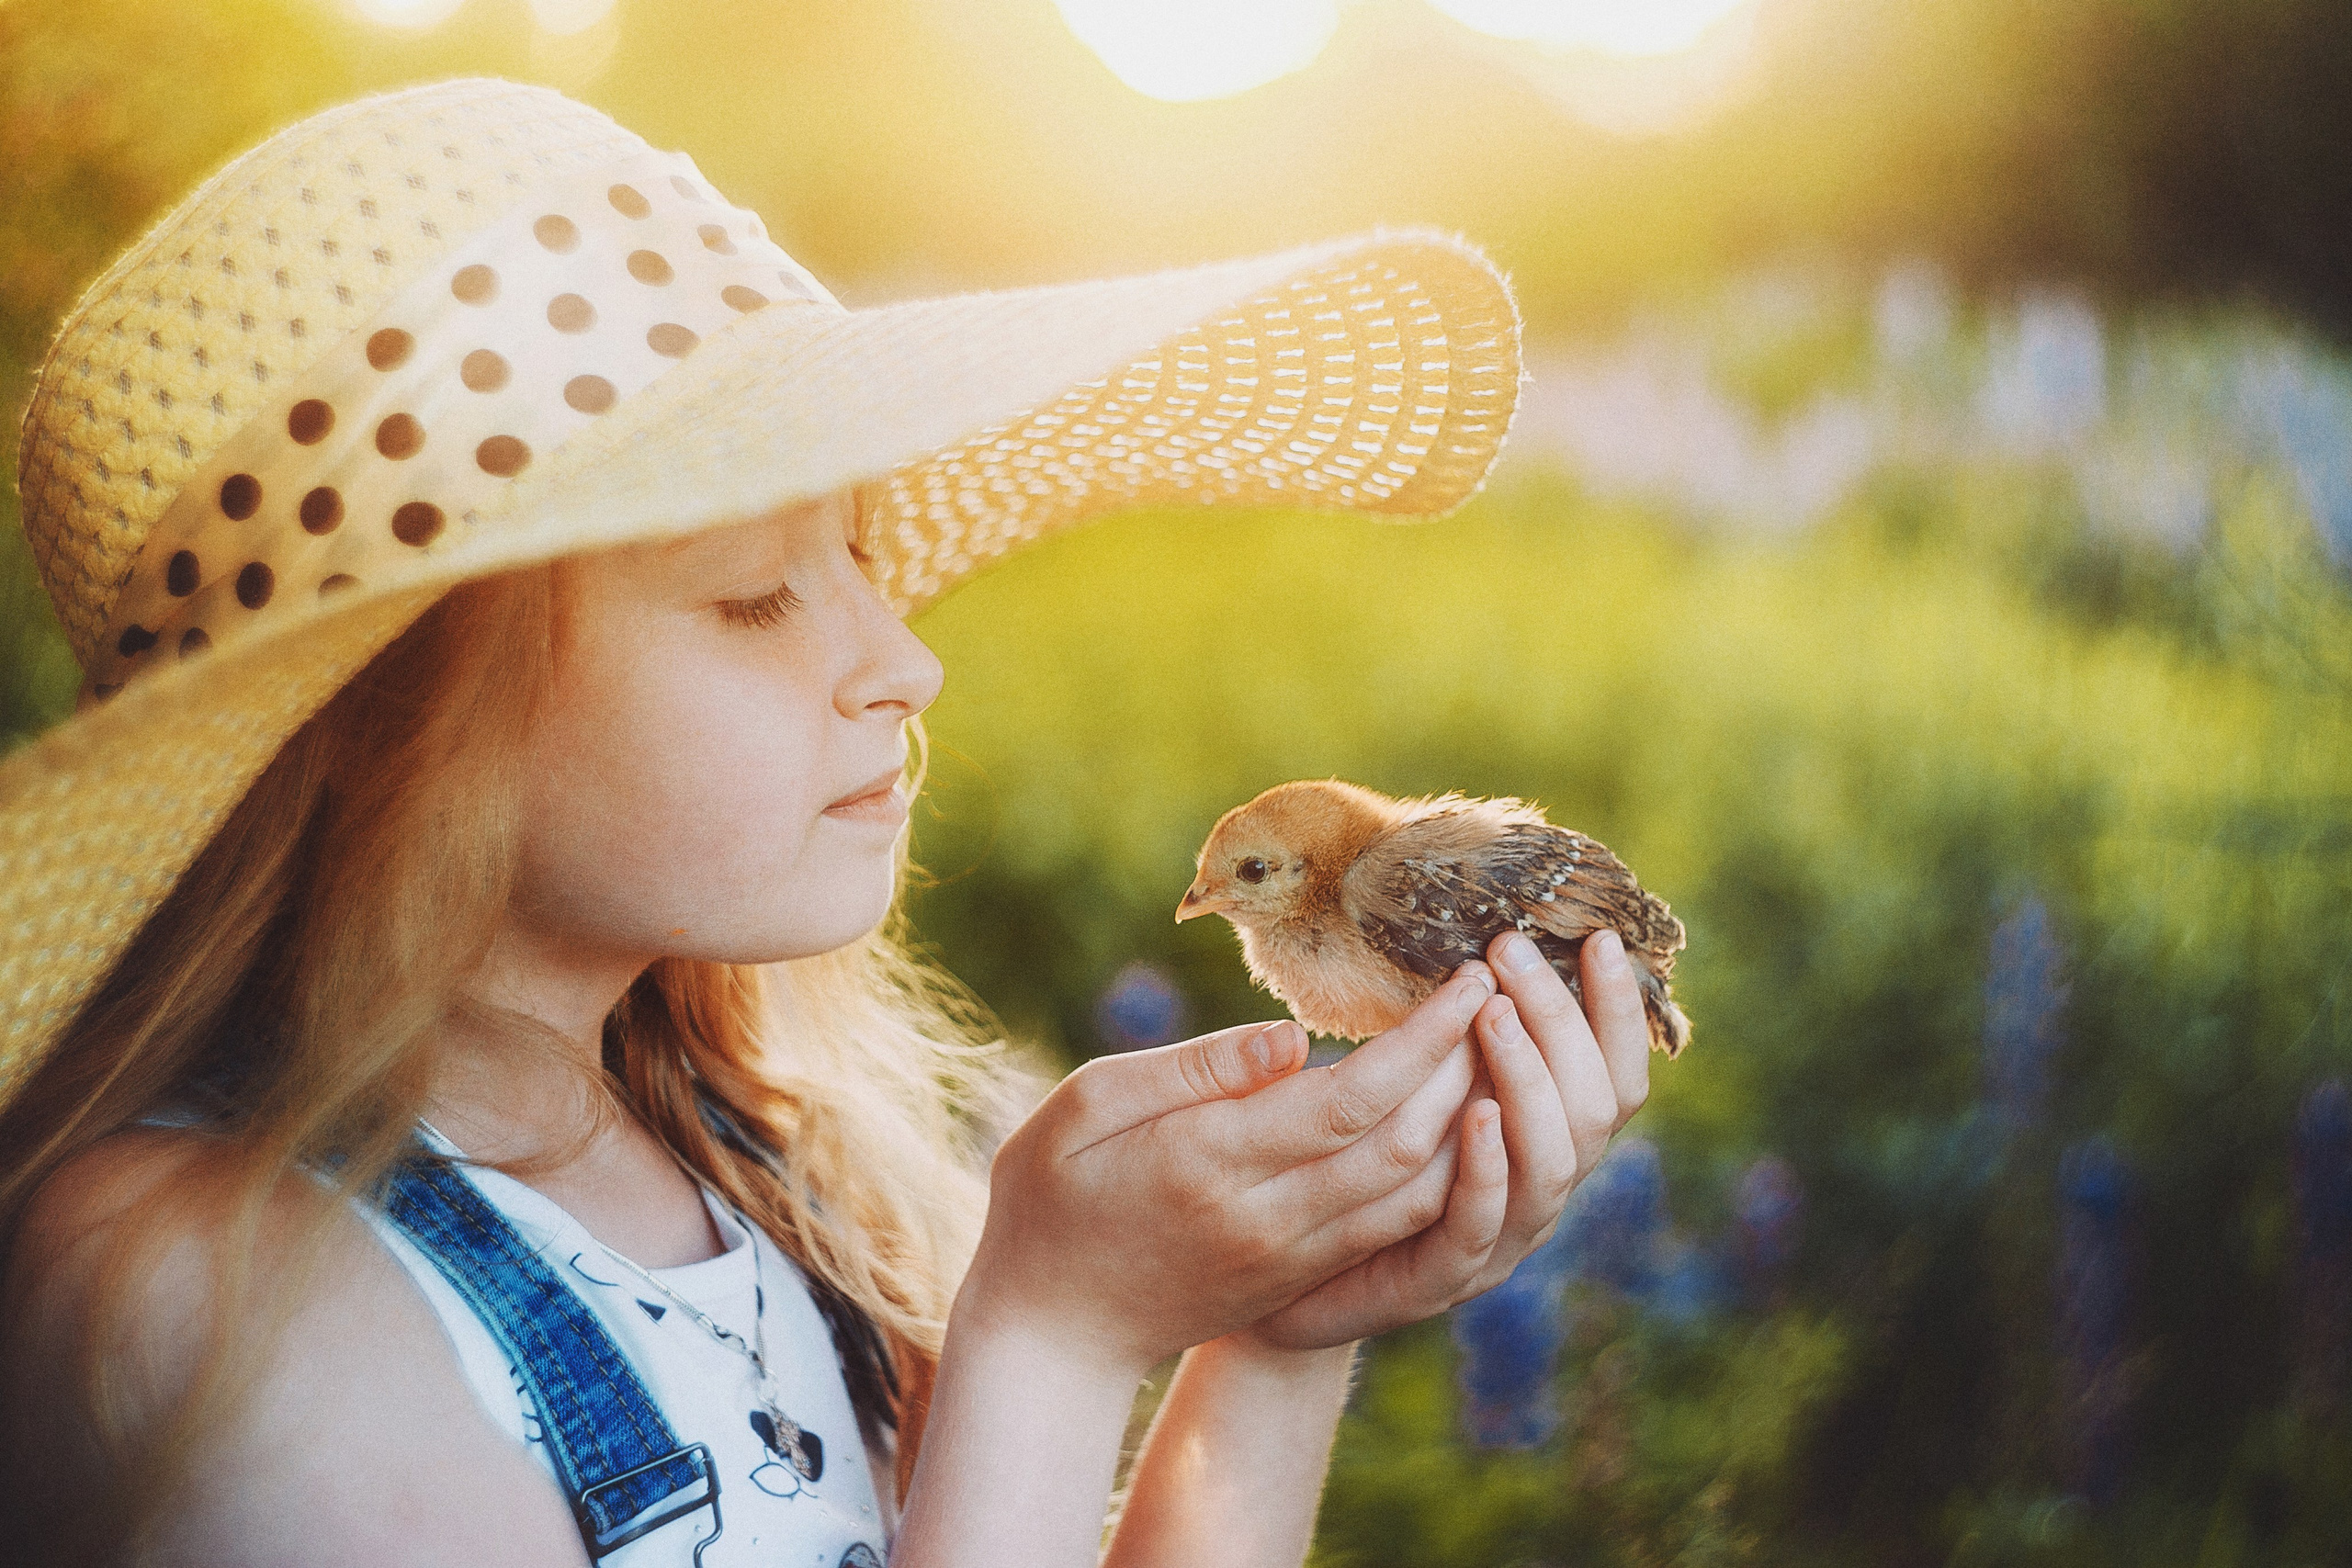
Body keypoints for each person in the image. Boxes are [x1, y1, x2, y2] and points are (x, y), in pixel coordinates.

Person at [0, 78, 1649, 1567]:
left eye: (860, 557)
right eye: (751, 598)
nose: (908, 656)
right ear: (384, 725)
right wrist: (1053, 1336)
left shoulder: (760, 1180)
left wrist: (1274, 1334)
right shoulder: (201, 1301)